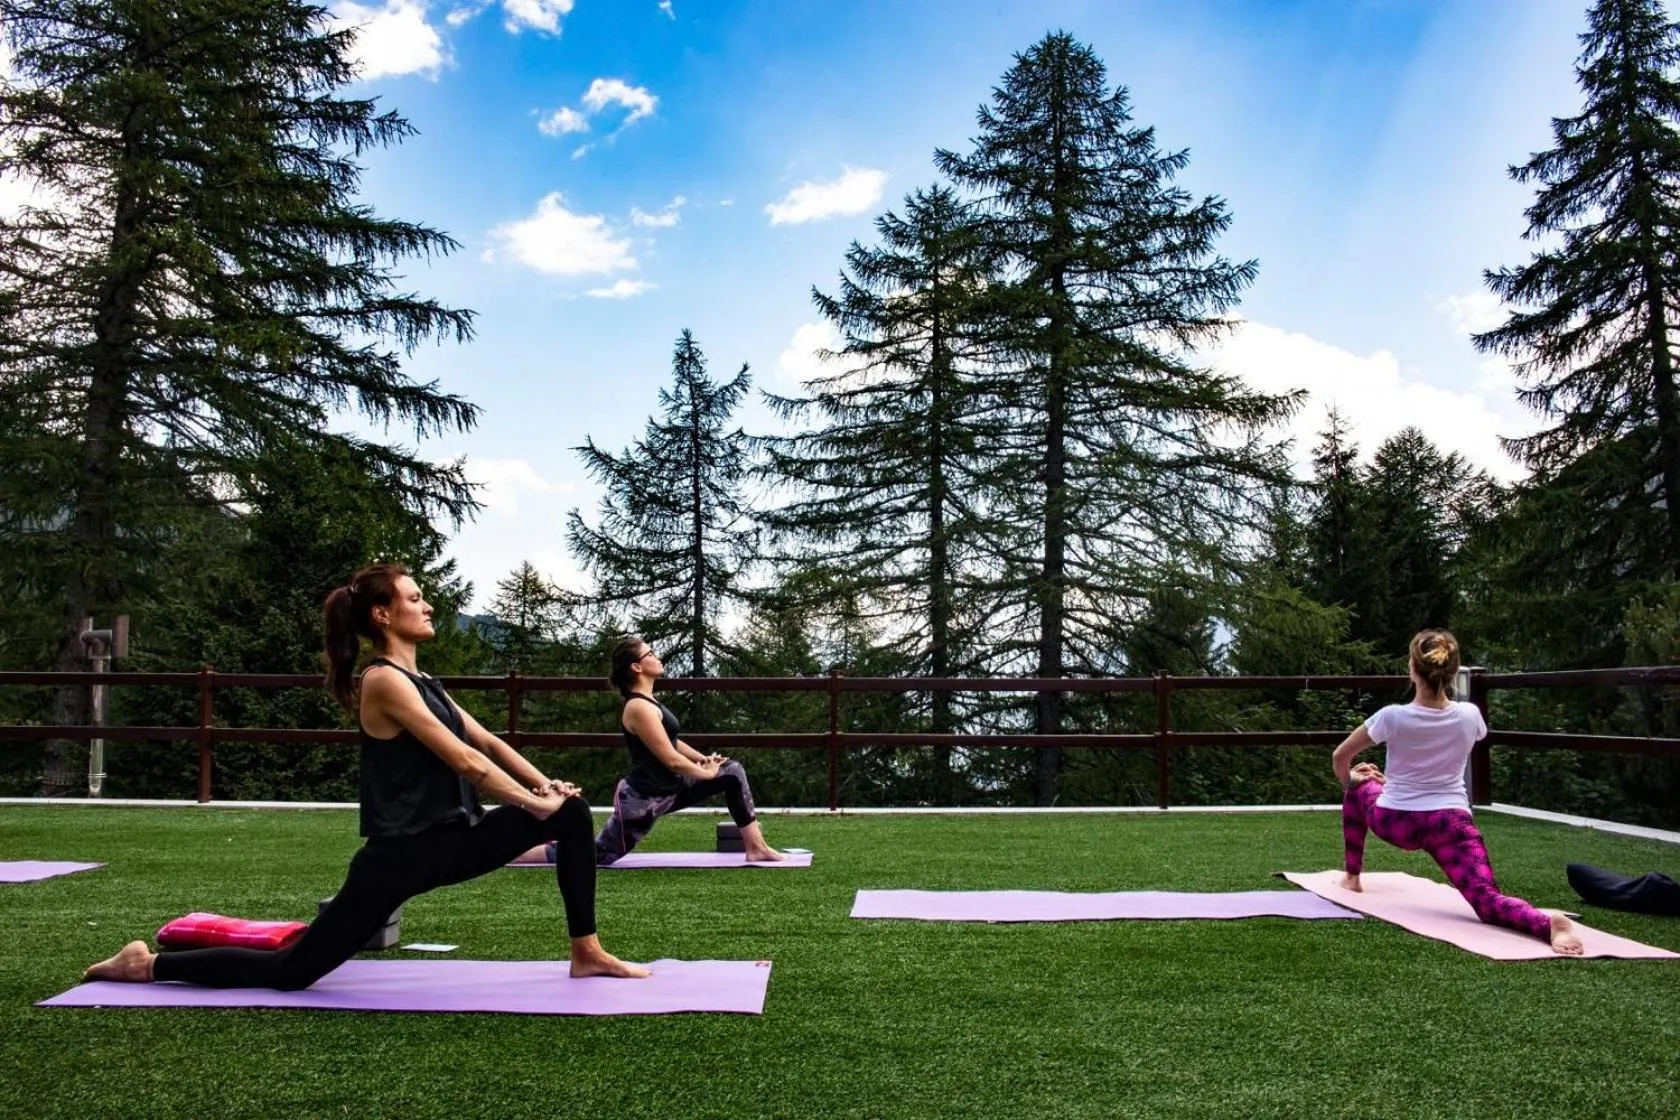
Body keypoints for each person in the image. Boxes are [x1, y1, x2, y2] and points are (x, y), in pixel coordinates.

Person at [83, 563, 648, 988]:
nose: (427, 606)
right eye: (415, 598)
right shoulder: (383, 681)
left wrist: (547, 789)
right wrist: (532, 801)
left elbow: (489, 742)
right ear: (382, 614)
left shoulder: (422, 681)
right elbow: (467, 763)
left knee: (572, 814)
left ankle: (586, 951)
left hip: (455, 840)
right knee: (293, 971)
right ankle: (146, 965)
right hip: (402, 856)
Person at [1332, 628, 1582, 955]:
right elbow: (1448, 751)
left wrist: (1353, 781)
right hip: (1450, 824)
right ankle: (1547, 924)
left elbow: (1340, 757)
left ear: (1412, 668)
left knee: (1358, 785)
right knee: (1487, 900)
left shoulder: (1391, 716)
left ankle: (1352, 876)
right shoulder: (1470, 715)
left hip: (1397, 821)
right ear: (1452, 671)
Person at [592, 635, 784, 866]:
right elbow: (672, 760)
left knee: (732, 772)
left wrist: (705, 760)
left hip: (671, 788)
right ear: (636, 667)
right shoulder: (638, 707)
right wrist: (707, 773)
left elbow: (671, 742)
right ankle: (549, 846)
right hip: (644, 798)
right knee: (597, 855)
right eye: (650, 654)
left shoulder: (649, 701)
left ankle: (756, 848)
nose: (657, 657)